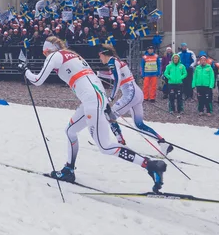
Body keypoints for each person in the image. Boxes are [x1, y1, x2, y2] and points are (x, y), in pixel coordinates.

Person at [21, 36, 168, 193]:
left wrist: (25, 70)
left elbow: (37, 80)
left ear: (47, 50)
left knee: (105, 146)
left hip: (92, 101)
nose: (46, 57)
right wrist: (105, 104)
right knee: (70, 131)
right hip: (95, 98)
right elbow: (92, 77)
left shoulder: (54, 55)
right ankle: (68, 170)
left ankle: (150, 165)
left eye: (45, 54)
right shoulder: (73, 55)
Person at [97, 44, 172, 154]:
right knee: (139, 124)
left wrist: (111, 97)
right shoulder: (116, 61)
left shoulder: (112, 62)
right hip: (136, 93)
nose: (99, 58)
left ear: (104, 54)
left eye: (100, 55)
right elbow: (112, 75)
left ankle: (120, 142)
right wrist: (98, 74)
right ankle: (163, 143)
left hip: (130, 94)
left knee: (109, 115)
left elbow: (117, 79)